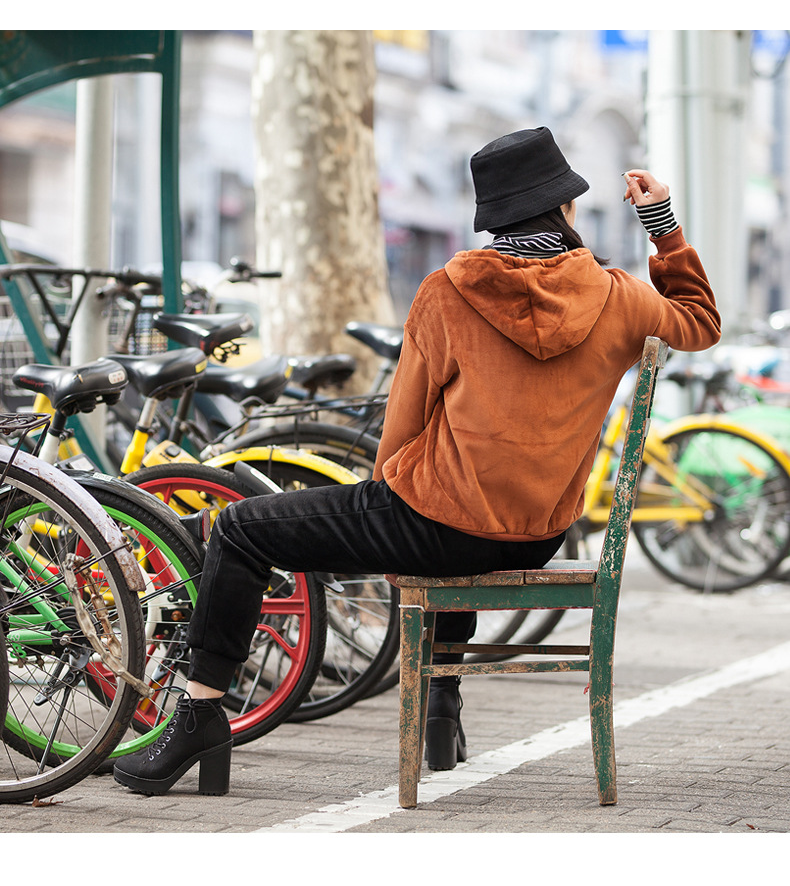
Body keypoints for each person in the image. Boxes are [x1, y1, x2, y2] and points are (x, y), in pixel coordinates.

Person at [113, 126, 720, 796]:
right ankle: (442, 706)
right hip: (537, 535)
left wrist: (379, 507)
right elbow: (700, 322)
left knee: (242, 528)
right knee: (451, 513)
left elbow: (402, 430)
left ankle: (200, 713)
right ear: (566, 211)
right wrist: (660, 223)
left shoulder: (449, 291)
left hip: (439, 528)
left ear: (496, 221)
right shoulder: (620, 298)